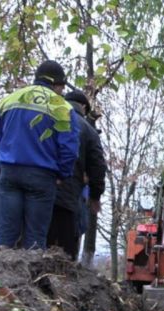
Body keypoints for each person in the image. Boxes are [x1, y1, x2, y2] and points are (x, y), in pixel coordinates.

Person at [0, 60, 80, 250]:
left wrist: (1, 163)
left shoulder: (9, 100)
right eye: (62, 87)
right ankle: (32, 279)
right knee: (36, 238)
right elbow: (69, 149)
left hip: (9, 172)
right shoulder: (62, 108)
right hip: (42, 176)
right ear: (56, 84)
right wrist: (62, 174)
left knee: (5, 235)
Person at [47, 89, 106, 260]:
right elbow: (97, 166)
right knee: (67, 238)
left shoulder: (49, 117)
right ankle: (66, 278)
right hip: (69, 190)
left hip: (43, 185)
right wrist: (96, 195)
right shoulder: (87, 129)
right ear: (83, 107)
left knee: (41, 236)